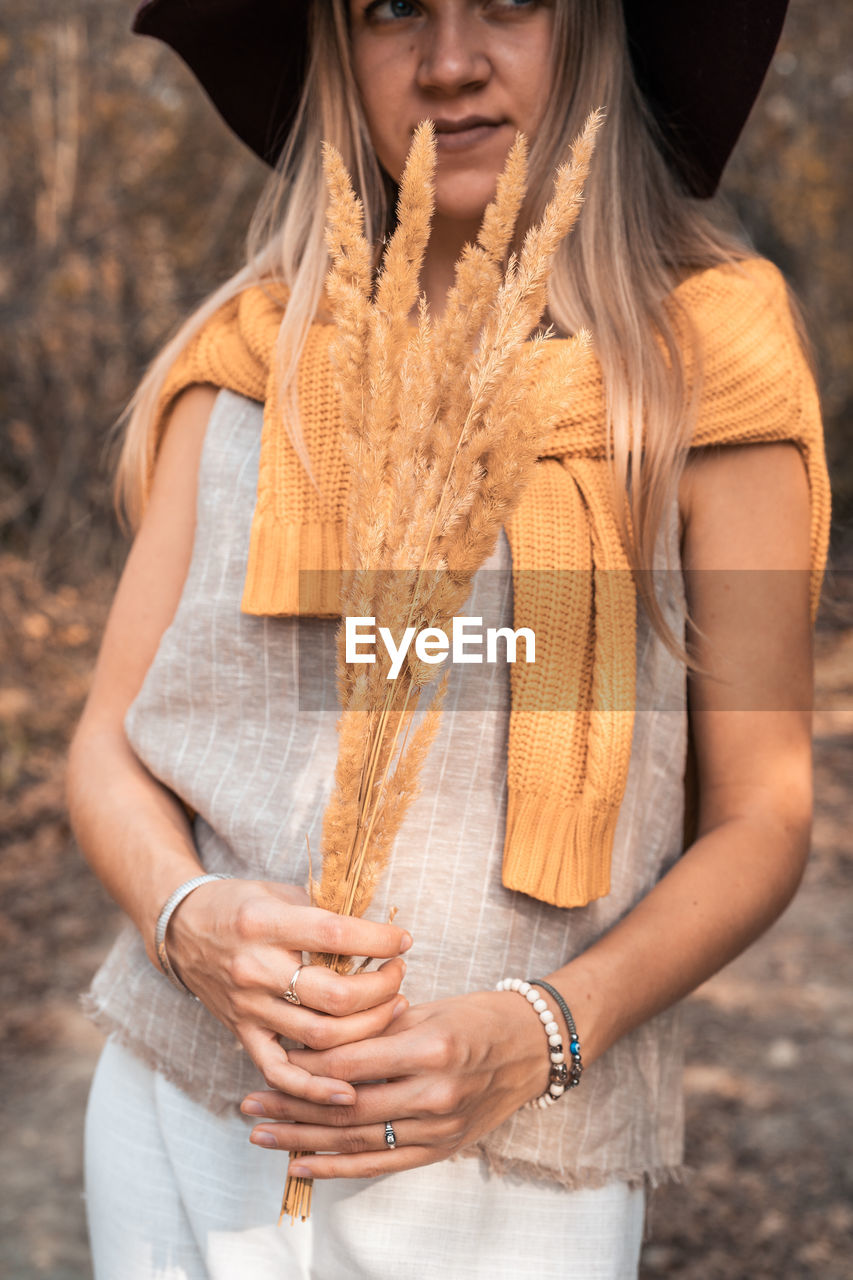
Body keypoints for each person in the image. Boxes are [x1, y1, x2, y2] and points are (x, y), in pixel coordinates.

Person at [68, 1, 831, 1277]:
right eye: (390, 9)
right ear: (331, 45)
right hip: (177, 1120)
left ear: (596, 26)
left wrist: (536, 1034)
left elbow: (765, 813)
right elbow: (106, 741)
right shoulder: (250, 354)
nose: (450, 62)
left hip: (512, 1167)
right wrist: (188, 915)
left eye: (510, 0)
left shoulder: (702, 366)